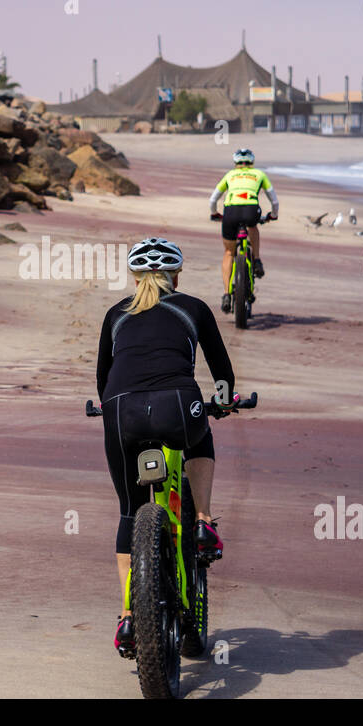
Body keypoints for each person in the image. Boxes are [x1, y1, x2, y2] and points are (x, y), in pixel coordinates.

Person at [96, 237, 235, 658]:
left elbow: (103, 382)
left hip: (121, 413)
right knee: (201, 438)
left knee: (128, 512)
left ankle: (127, 617)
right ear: (177, 275)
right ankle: (204, 522)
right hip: (179, 404)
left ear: (134, 277)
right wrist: (225, 401)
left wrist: (110, 408)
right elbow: (221, 371)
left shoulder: (115, 315)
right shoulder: (192, 307)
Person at [209, 148, 279, 313]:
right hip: (250, 210)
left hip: (230, 212)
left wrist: (214, 213)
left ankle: (226, 294)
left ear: (236, 163)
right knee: (253, 226)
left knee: (228, 253)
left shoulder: (229, 175)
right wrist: (273, 215)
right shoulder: (259, 174)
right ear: (252, 162)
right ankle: (256, 260)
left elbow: (213, 199)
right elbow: (274, 201)